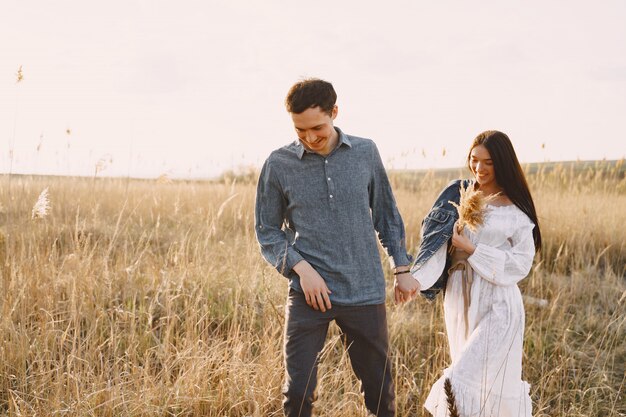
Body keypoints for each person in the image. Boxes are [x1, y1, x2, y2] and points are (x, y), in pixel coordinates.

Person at [254, 78, 418, 417]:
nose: (310, 138)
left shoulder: (365, 152)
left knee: (380, 394)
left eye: (318, 128)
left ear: (335, 113)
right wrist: (301, 269)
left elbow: (386, 214)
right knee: (297, 392)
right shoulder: (278, 164)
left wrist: (401, 267)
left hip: (364, 290)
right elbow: (268, 231)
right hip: (309, 294)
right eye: (300, 131)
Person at [411, 130, 542, 417]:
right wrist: (415, 279)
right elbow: (431, 246)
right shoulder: (458, 195)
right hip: (459, 297)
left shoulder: (516, 210)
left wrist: (473, 250)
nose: (479, 168)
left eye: (489, 162)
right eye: (474, 160)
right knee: (475, 385)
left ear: (503, 164)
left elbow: (521, 263)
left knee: (458, 381)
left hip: (498, 304)